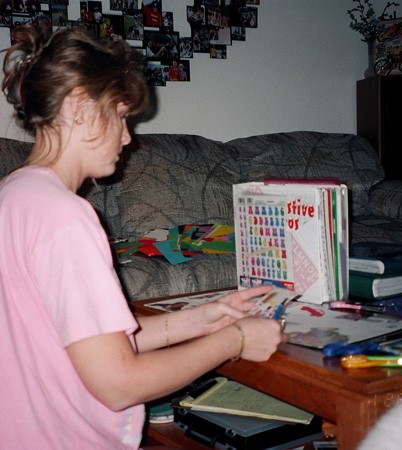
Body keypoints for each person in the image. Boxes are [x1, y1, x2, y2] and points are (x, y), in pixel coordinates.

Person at [0, 25, 285, 449]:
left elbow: (85, 342)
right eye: (120, 115)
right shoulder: (65, 217)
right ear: (80, 106)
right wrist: (236, 339)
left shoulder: (14, 194)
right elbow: (118, 383)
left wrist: (206, 316)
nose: (127, 136)